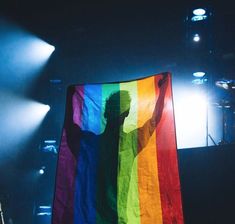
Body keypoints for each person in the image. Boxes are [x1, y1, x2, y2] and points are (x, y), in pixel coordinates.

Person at [65, 74, 169, 223]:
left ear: (106, 113)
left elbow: (70, 131)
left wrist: (70, 98)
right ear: (126, 113)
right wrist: (163, 90)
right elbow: (154, 120)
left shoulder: (93, 144)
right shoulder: (130, 142)